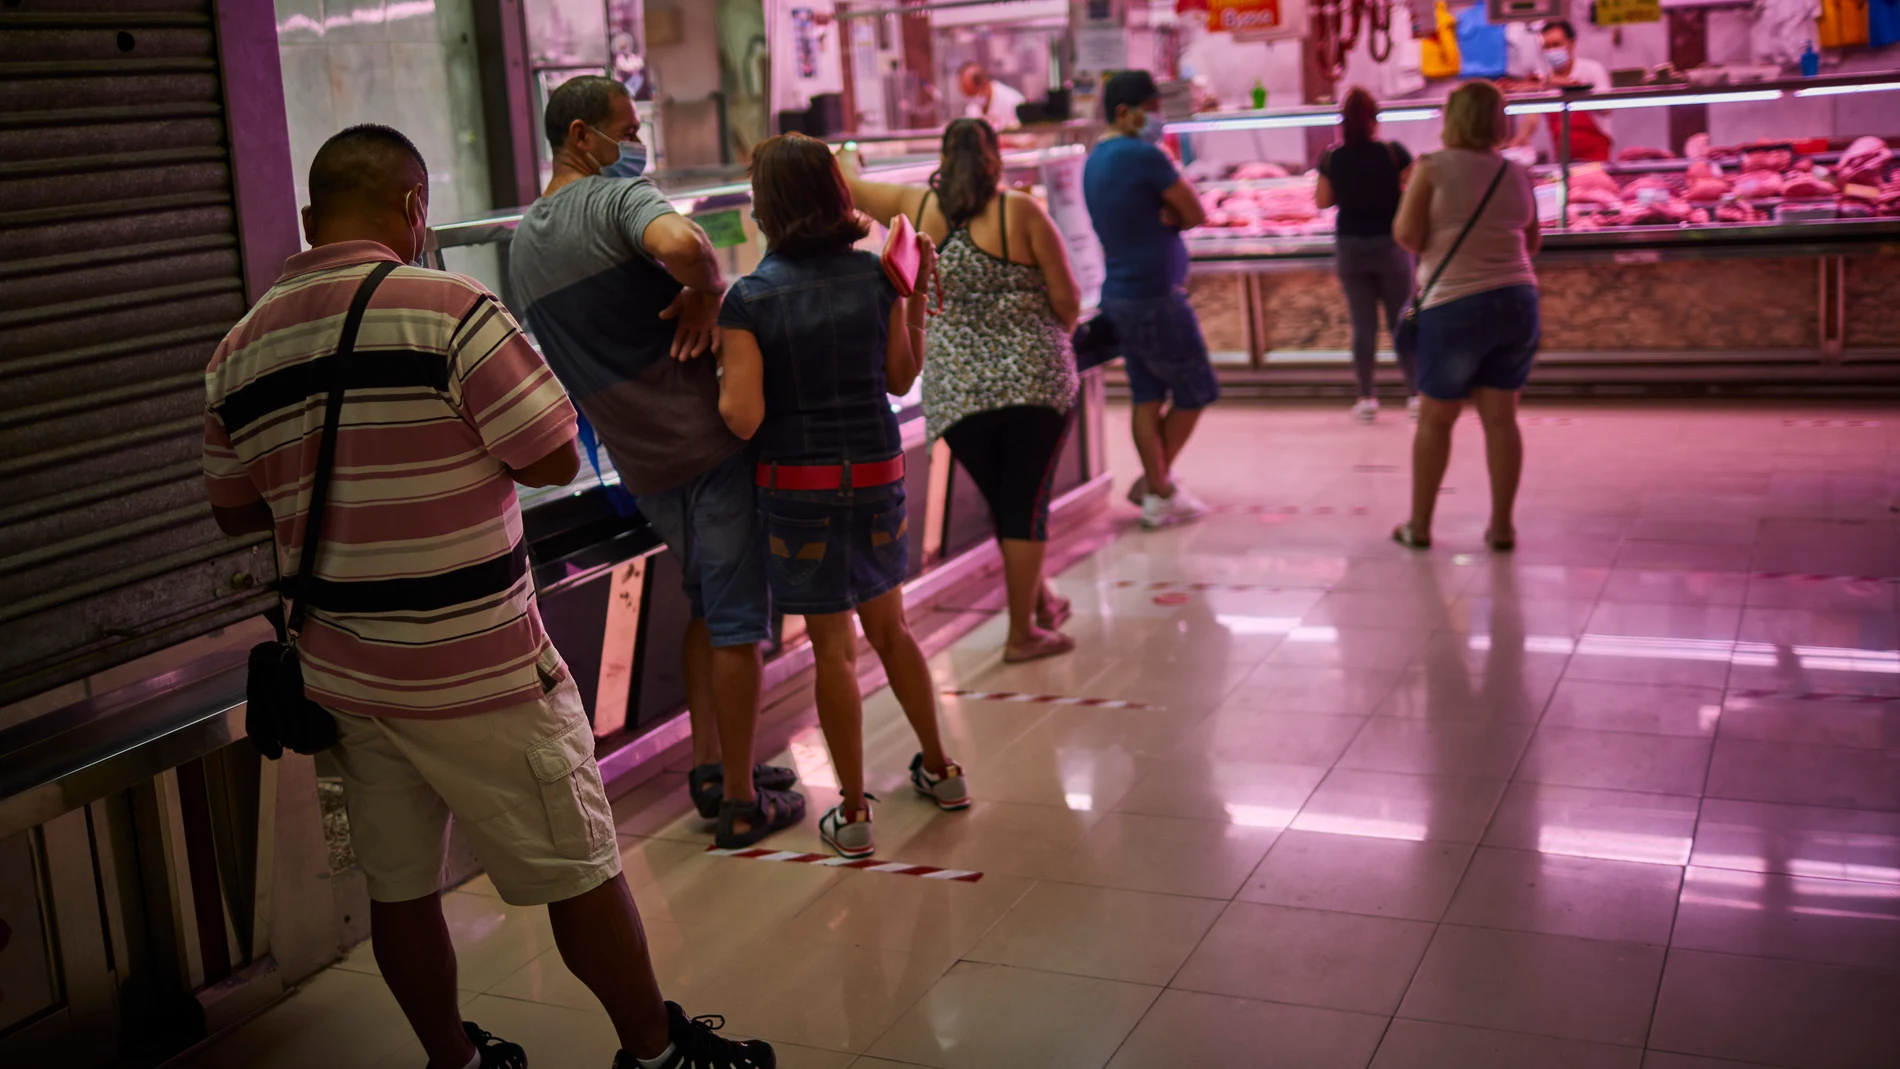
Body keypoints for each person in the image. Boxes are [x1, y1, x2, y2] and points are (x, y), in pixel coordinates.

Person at [202, 125, 771, 1069]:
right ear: (417, 209)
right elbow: (548, 453)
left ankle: (455, 1061)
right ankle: (656, 1053)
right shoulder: (452, 308)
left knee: (399, 886)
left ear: (309, 219)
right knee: (577, 868)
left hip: (345, 669)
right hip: (479, 662)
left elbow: (233, 513)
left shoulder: (237, 350)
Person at [509, 76, 805, 850]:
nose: (634, 145)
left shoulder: (525, 245)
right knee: (740, 620)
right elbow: (683, 244)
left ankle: (712, 763)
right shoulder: (613, 200)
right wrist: (707, 289)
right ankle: (740, 799)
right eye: (626, 128)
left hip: (641, 463)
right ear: (581, 137)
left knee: (706, 602)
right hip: (707, 444)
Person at [715, 133, 969, 859]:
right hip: (880, 471)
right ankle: (942, 769)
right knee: (892, 629)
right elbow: (898, 377)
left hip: (799, 487)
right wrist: (913, 303)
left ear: (766, 208)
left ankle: (854, 810)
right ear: (835, 195)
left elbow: (744, 417)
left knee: (835, 651)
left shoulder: (749, 298)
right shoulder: (874, 277)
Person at [840, 118, 1082, 664]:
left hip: (954, 391)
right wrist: (1045, 345)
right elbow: (1068, 299)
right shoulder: (1019, 211)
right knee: (1026, 505)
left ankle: (1040, 602)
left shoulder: (915, 206)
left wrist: (846, 154)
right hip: (1032, 381)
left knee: (1007, 498)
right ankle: (1022, 633)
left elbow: (844, 185)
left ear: (942, 156)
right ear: (994, 157)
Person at [1391, 81, 1542, 552]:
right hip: (1518, 301)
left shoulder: (1432, 167)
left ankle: (1419, 526)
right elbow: (1531, 243)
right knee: (1502, 419)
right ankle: (1502, 527)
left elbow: (1408, 237)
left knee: (1436, 419)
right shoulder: (1517, 173)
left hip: (1457, 305)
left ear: (1451, 118)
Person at [1082, 69, 1216, 530]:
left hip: (1119, 294)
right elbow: (1196, 210)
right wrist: (1175, 217)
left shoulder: (1095, 158)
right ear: (1125, 112)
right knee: (1196, 389)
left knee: (1146, 393)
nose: (1158, 118)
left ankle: (1157, 488)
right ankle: (1157, 487)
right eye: (1152, 109)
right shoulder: (1144, 156)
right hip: (1156, 295)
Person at [1316, 86, 1419, 423]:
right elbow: (1417, 189)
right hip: (1391, 245)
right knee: (1401, 322)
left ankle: (1365, 398)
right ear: (1375, 119)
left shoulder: (1333, 157)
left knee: (1363, 328)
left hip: (1350, 248)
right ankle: (1416, 394)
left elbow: (1322, 200)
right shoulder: (1393, 152)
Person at [1511, 20, 1614, 162]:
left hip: (1596, 155)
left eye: (1557, 45)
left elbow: (1607, 108)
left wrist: (1575, 87)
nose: (1552, 51)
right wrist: (1522, 137)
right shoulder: (1543, 79)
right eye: (1547, 47)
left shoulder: (1592, 70)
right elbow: (1532, 115)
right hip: (1563, 157)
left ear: (1572, 43)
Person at [958, 61, 1026, 132]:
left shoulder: (1013, 101)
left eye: (971, 93)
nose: (970, 99)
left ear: (983, 84)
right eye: (967, 95)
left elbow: (1025, 138)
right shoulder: (972, 107)